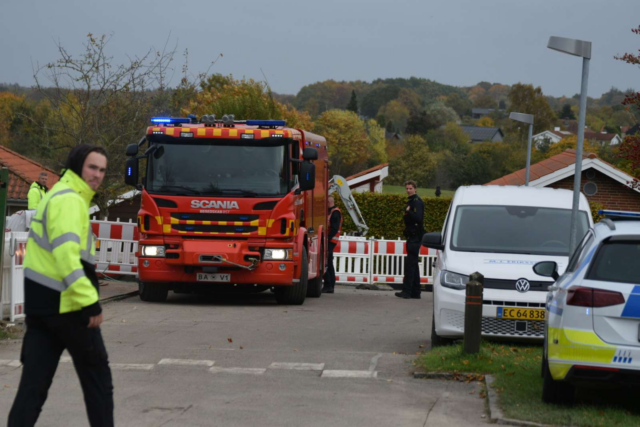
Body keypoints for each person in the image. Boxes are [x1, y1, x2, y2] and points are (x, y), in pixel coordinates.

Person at [8, 145, 113, 427]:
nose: (97, 175)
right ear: (78, 166)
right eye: (92, 167)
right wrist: (89, 301)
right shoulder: (70, 201)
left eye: (102, 170)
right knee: (99, 385)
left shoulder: (56, 196)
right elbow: (67, 257)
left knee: (32, 391)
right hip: (70, 308)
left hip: (42, 310)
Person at [396, 180, 425, 300]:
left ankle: (407, 291)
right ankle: (415, 292)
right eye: (407, 188)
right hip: (413, 236)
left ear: (415, 189)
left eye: (410, 188)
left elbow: (419, 218)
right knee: (413, 265)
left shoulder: (416, 202)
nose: (408, 190)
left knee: (410, 265)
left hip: (415, 236)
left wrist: (408, 212)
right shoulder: (412, 201)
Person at [322, 196, 342, 294]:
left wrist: (327, 238)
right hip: (330, 241)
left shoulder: (335, 212)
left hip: (330, 241)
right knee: (328, 263)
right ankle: (330, 286)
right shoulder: (332, 212)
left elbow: (334, 228)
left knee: (326, 262)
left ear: (329, 202)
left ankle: (329, 285)